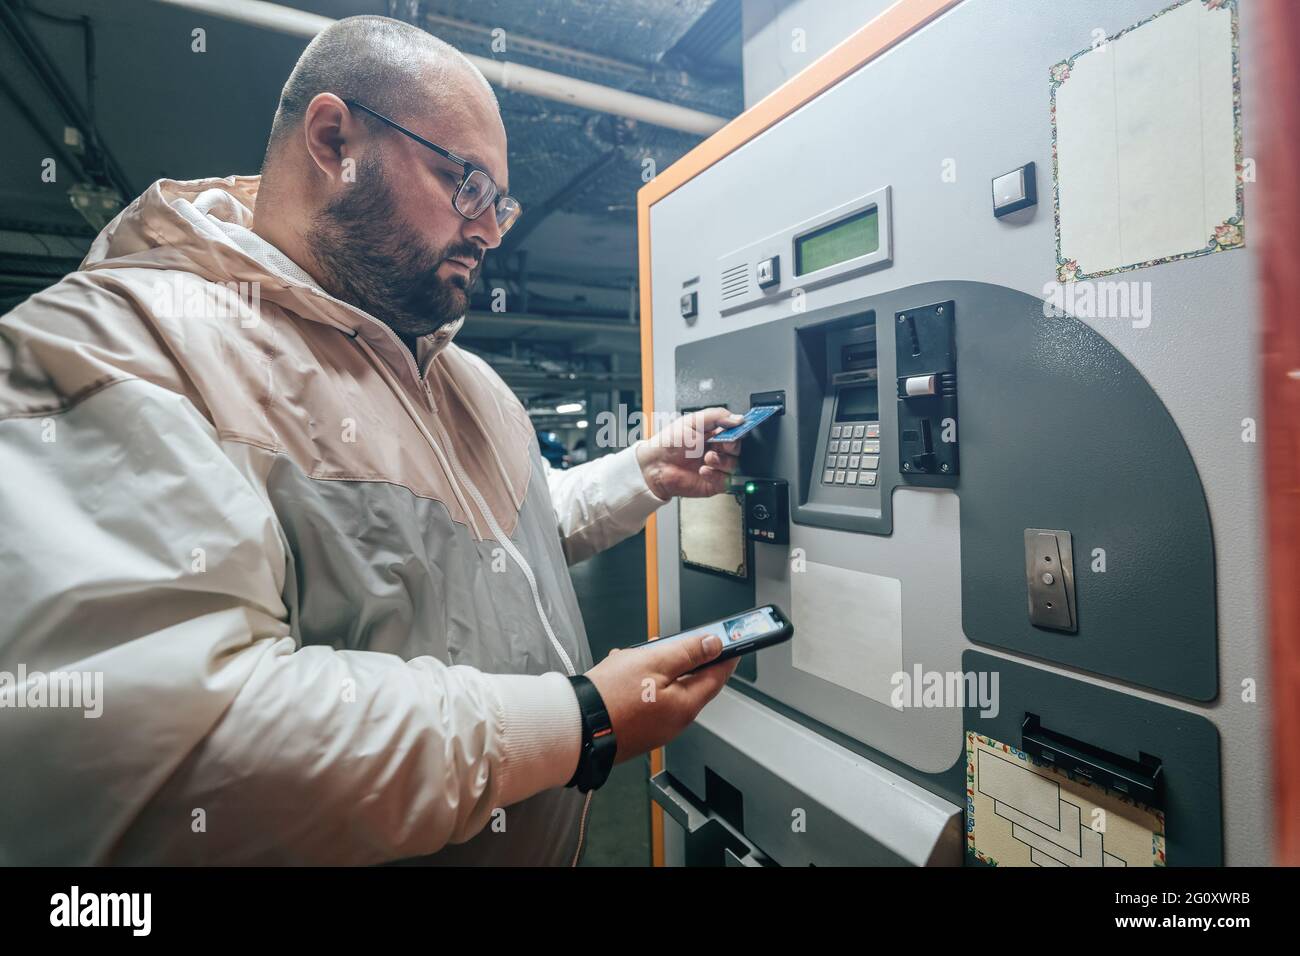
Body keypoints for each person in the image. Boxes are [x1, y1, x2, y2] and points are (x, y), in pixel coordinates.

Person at [0, 15, 745, 865]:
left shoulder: (463, 381)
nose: (490, 232)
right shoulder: (117, 350)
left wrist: (646, 471)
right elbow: (173, 748)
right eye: (466, 184)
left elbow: (508, 534)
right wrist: (580, 719)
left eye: (501, 204)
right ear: (331, 139)